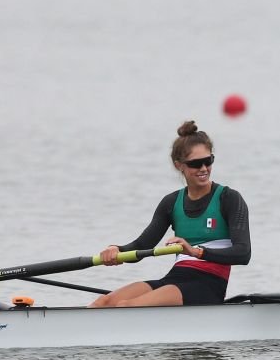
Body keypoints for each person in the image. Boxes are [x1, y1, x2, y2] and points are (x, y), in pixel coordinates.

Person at [89, 121, 251, 307]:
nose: (204, 168)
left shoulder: (229, 199)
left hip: (208, 285)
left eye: (208, 161)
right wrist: (116, 249)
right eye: (196, 164)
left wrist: (195, 251)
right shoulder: (171, 202)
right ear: (179, 165)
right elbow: (142, 246)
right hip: (175, 279)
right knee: (104, 302)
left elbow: (243, 253)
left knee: (126, 306)